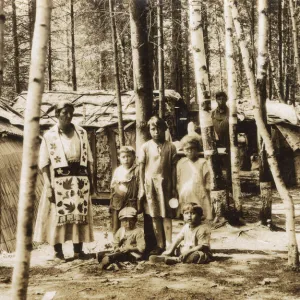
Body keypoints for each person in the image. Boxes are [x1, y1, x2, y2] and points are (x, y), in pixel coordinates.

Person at [34, 101, 94, 261]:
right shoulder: (49, 136)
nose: (68, 116)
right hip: (58, 179)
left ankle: (78, 251)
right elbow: (45, 163)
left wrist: (91, 179)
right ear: (57, 114)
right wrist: (48, 185)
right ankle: (58, 251)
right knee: (56, 215)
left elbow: (88, 159)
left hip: (80, 179)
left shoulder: (81, 132)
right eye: (64, 113)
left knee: (79, 212)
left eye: (70, 113)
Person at [139, 116, 177, 255]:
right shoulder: (145, 147)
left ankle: (169, 244)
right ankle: (160, 244)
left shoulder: (171, 147)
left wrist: (173, 186)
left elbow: (173, 168)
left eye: (159, 129)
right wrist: (142, 187)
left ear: (164, 129)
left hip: (165, 184)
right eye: (153, 129)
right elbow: (141, 169)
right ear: (149, 130)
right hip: (150, 185)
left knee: (166, 214)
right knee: (155, 215)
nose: (156, 132)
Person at [177, 135, 212, 220]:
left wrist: (208, 188)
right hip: (185, 192)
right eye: (187, 149)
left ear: (197, 150)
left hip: (199, 191)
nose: (190, 151)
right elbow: (178, 178)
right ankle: (185, 214)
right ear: (184, 150)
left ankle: (202, 214)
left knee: (199, 207)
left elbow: (207, 178)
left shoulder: (203, 163)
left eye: (192, 149)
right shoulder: (181, 162)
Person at [110, 146, 139, 235]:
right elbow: (113, 185)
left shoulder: (136, 170)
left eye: (129, 156)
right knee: (116, 220)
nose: (126, 159)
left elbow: (139, 184)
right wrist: (118, 190)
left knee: (130, 219)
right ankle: (116, 241)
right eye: (123, 157)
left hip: (131, 198)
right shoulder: (118, 170)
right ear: (119, 158)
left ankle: (130, 240)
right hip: (118, 199)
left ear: (133, 157)